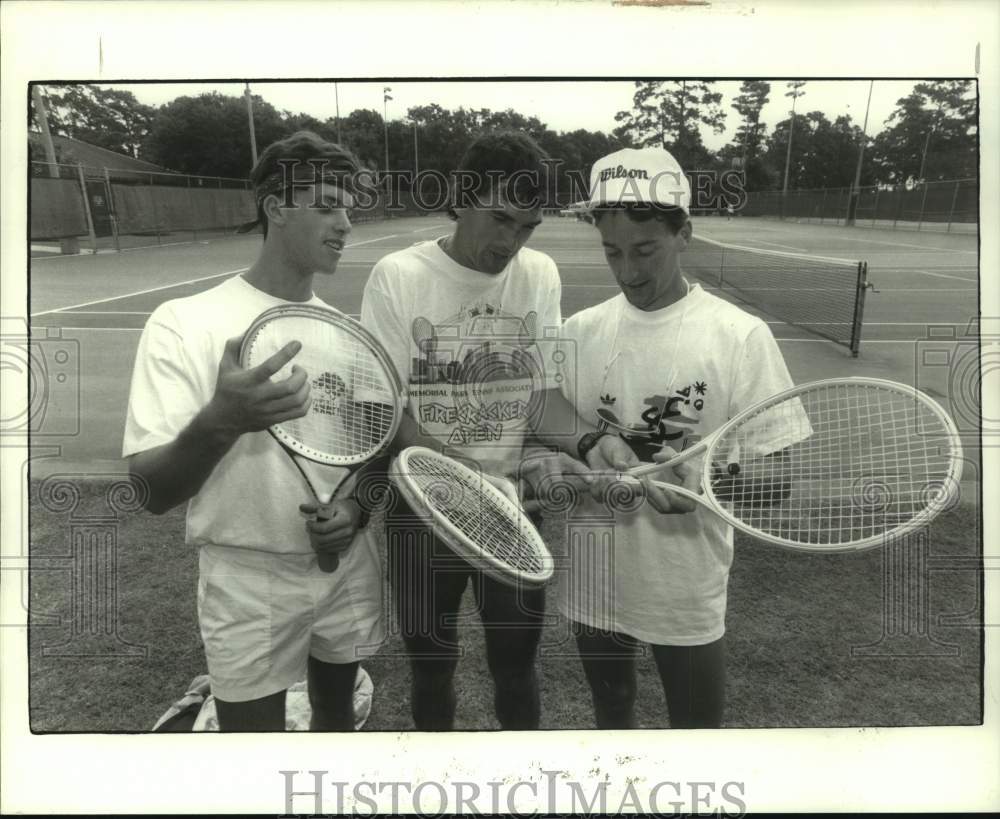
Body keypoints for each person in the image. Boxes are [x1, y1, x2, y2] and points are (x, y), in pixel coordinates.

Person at [361, 131, 636, 730]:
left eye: (527, 227)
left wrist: (591, 442)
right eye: (500, 219)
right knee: (431, 667)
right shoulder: (397, 275)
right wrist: (458, 479)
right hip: (422, 511)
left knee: (515, 667)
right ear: (462, 199)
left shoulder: (538, 273)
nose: (511, 242)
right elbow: (386, 408)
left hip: (512, 507)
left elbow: (541, 393)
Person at [123, 131, 382, 731]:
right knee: (252, 746)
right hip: (245, 576)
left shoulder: (348, 334)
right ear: (275, 208)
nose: (345, 223)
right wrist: (222, 420)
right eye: (327, 205)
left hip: (346, 561)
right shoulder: (183, 322)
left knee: (337, 717)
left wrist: (357, 512)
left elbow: (372, 456)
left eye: (349, 209)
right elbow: (150, 491)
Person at [556, 147, 800, 729]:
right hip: (593, 573)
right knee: (611, 711)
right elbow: (549, 432)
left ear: (684, 233)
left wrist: (708, 481)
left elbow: (779, 482)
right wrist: (580, 461)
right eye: (612, 251)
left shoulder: (741, 337)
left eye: (645, 250)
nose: (628, 272)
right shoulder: (580, 330)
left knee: (696, 730)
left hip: (685, 584)